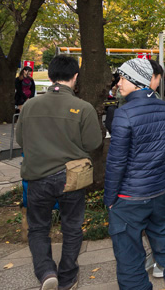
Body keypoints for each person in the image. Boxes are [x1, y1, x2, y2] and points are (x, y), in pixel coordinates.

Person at [105, 58, 165, 290]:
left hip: (128, 199)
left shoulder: (124, 114)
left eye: (123, 78)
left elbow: (116, 164)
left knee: (130, 261)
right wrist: (164, 187)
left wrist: (110, 200)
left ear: (137, 82)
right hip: (158, 194)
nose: (119, 83)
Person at [16, 55, 101, 290]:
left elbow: (20, 139)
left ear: (50, 76)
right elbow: (94, 142)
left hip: (37, 177)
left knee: (39, 228)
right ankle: (67, 277)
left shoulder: (30, 105)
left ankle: (45, 272)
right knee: (72, 227)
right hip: (71, 177)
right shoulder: (83, 108)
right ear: (75, 77)